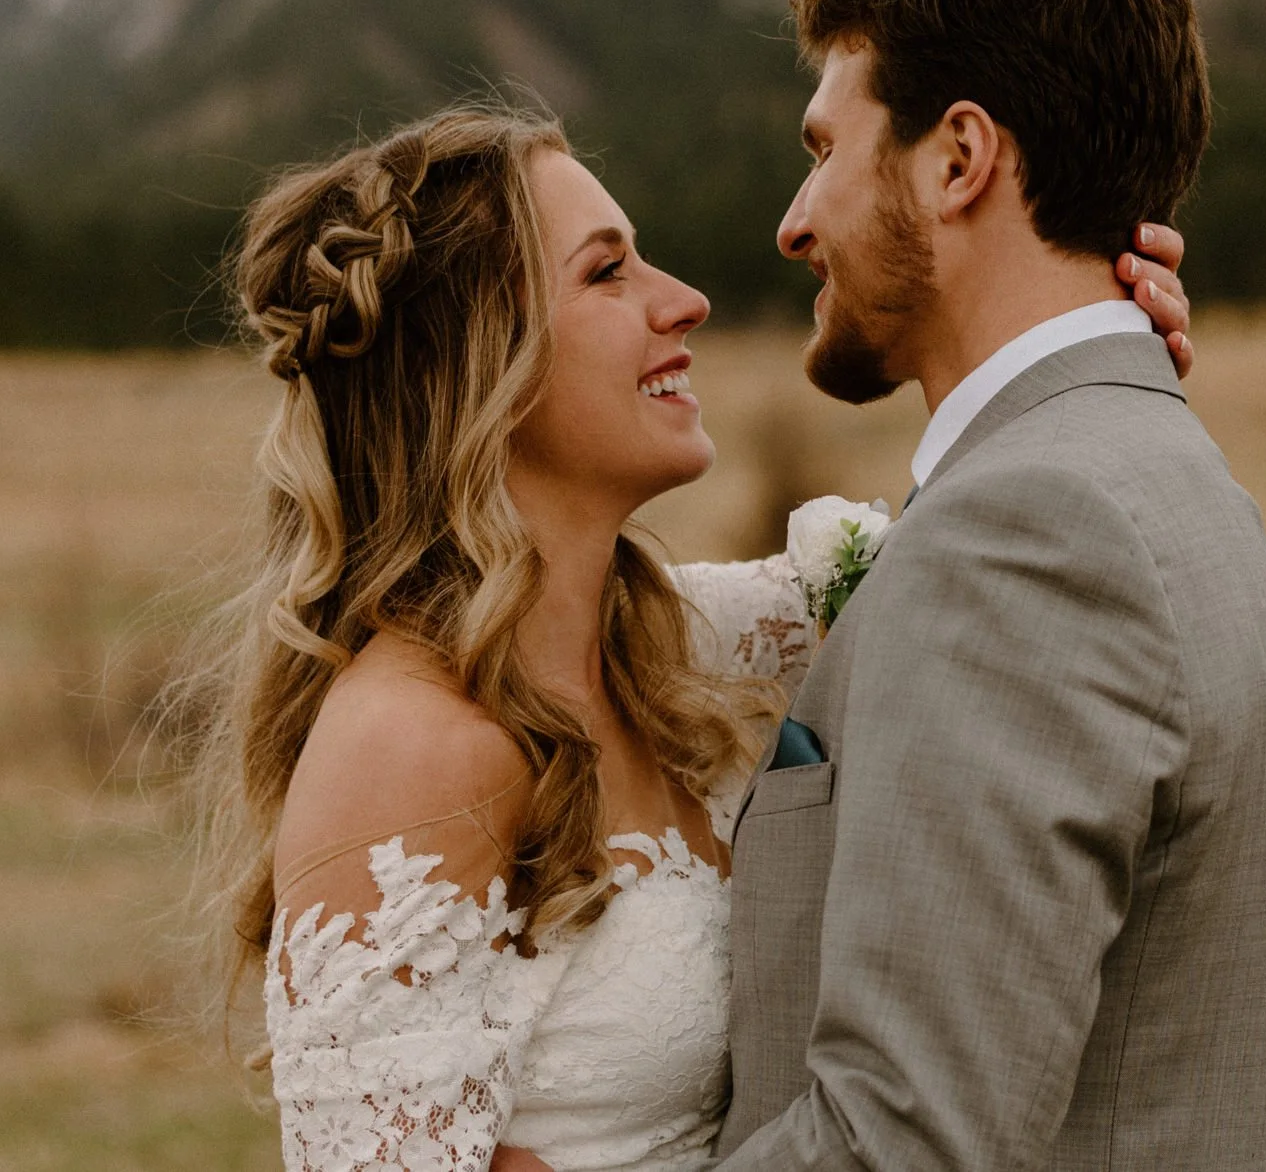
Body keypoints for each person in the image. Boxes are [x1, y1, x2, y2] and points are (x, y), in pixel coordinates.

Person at [184, 95, 1198, 1171]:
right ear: (480, 364)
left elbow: (981, 574)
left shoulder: (681, 649)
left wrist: (1080, 348)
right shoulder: (410, 748)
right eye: (607, 271)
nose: (685, 301)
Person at [716, 0, 1266, 1171]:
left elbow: (900, 1138)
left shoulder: (1025, 532)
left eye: (824, 149)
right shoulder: (1158, 469)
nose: (793, 219)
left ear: (958, 159)